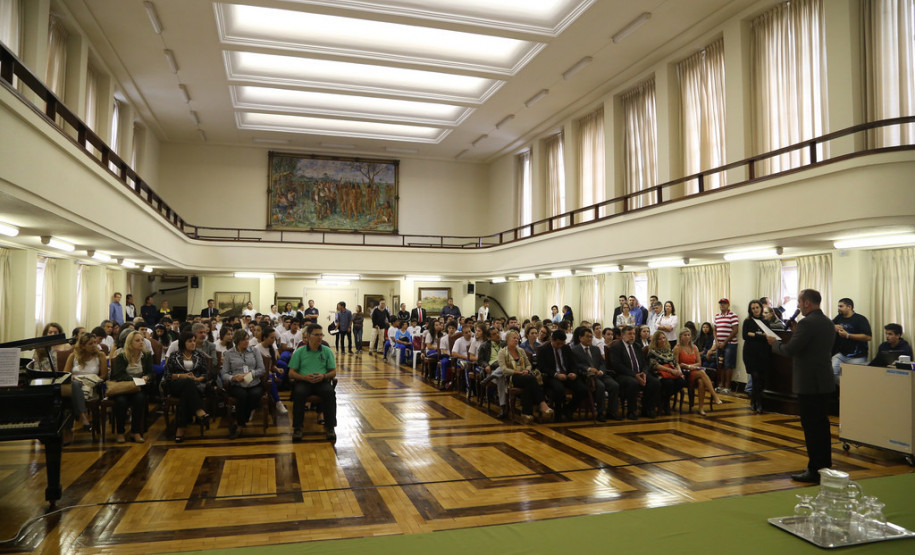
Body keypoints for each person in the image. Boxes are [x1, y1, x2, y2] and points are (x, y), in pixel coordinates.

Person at [767, 289, 836, 483]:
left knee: (811, 428)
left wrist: (774, 343)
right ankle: (825, 466)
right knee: (822, 426)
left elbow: (790, 349)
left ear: (806, 303)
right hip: (824, 381)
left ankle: (814, 469)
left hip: (809, 383)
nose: (797, 305)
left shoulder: (807, 322)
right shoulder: (827, 322)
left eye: (799, 302)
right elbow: (814, 347)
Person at [289, 324, 337, 441]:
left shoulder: (326, 351)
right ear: (309, 336)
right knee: (299, 394)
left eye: (321, 335)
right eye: (317, 335)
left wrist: (324, 376)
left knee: (330, 393)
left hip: (321, 381)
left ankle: (330, 427)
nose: (320, 337)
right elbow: (291, 373)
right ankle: (298, 428)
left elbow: (333, 372)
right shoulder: (300, 352)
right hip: (305, 381)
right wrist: (304, 377)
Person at [163, 331, 210, 442]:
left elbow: (206, 374)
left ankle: (180, 429)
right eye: (190, 341)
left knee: (186, 393)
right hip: (176, 385)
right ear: (183, 343)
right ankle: (199, 411)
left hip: (195, 385)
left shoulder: (199, 355)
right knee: (188, 382)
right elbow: (167, 375)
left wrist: (197, 379)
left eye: (194, 341)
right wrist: (182, 376)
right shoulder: (175, 355)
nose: (193, 343)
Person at [498, 330, 552, 424]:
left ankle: (526, 413)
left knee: (528, 384)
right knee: (530, 379)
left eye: (517, 338)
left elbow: (528, 364)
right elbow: (504, 369)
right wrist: (517, 372)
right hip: (513, 377)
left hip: (525, 376)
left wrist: (526, 370)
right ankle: (542, 403)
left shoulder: (521, 351)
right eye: (513, 338)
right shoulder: (502, 352)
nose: (516, 340)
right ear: (507, 339)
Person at [109, 331, 154, 443]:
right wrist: (134, 380)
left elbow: (150, 372)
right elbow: (119, 374)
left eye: (142, 340)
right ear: (130, 343)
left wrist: (146, 377)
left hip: (139, 387)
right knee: (121, 401)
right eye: (137, 340)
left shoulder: (147, 355)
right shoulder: (121, 355)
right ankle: (120, 432)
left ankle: (136, 431)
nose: (141, 343)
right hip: (124, 386)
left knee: (139, 399)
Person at [221, 329, 266, 439]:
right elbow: (224, 373)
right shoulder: (229, 353)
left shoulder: (254, 351)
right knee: (242, 395)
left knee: (254, 395)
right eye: (243, 340)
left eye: (247, 339)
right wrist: (233, 377)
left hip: (254, 382)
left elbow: (262, 369)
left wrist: (251, 374)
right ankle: (241, 425)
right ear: (237, 341)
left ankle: (238, 422)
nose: (247, 342)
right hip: (237, 384)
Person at [608, 325, 660, 420]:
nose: (632, 336)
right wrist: (635, 375)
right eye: (629, 334)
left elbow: (644, 363)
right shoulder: (616, 347)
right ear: (623, 335)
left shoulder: (636, 346)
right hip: (623, 375)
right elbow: (618, 366)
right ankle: (631, 411)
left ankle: (647, 409)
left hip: (639, 373)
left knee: (654, 382)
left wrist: (644, 373)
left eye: (633, 334)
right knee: (633, 383)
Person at [571, 326, 619, 421]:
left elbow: (602, 363)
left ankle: (611, 412)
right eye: (587, 337)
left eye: (591, 337)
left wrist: (601, 371)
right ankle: (600, 413)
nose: (590, 339)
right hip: (588, 376)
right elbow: (577, 365)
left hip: (600, 374)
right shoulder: (575, 350)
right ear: (580, 338)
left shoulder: (595, 349)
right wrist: (589, 369)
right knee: (600, 386)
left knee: (614, 385)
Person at [63, 332, 108, 431]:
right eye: (90, 344)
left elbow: (104, 375)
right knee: (75, 385)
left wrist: (90, 380)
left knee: (72, 395)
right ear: (83, 346)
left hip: (91, 385)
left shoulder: (100, 355)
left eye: (95, 343)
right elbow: (65, 374)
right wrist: (75, 379)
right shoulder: (73, 356)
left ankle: (77, 421)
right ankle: (84, 417)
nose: (94, 346)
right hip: (75, 383)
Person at [537, 330, 584, 422]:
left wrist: (573, 373)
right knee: (559, 389)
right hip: (552, 376)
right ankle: (558, 413)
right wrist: (556, 375)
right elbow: (542, 367)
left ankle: (568, 409)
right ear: (552, 340)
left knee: (583, 389)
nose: (560, 346)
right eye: (558, 343)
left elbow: (573, 363)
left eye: (562, 343)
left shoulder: (566, 348)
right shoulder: (543, 350)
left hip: (567, 375)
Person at [673, 328, 721, 415]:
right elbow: (675, 364)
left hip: (694, 370)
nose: (687, 337)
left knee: (701, 381)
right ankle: (715, 396)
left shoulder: (694, 347)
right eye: (685, 335)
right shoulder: (677, 348)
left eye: (689, 335)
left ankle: (701, 408)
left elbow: (699, 363)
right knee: (702, 373)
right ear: (681, 337)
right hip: (684, 372)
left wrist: (692, 366)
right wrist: (685, 365)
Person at [831, 298, 872, 384]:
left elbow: (868, 337)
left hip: (857, 357)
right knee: (831, 374)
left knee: (855, 381)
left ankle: (848, 391)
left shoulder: (860, 319)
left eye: (841, 306)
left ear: (849, 307)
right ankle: (844, 391)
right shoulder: (839, 317)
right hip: (841, 355)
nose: (838, 308)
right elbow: (829, 325)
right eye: (838, 306)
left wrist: (847, 335)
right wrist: (833, 326)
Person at [647, 331, 686, 416]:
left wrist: (679, 370)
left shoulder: (668, 350)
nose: (663, 340)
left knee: (681, 381)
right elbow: (655, 365)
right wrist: (671, 371)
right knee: (669, 383)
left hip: (671, 372)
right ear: (655, 340)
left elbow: (675, 362)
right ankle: (666, 403)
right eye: (660, 339)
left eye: (664, 338)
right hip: (659, 373)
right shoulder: (652, 351)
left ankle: (664, 400)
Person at [742, 300, 771, 413]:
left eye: (757, 307)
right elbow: (745, 335)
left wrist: (754, 334)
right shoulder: (747, 321)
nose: (755, 310)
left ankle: (755, 402)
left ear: (761, 308)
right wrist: (760, 335)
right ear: (750, 310)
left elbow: (768, 336)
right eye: (753, 308)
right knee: (755, 378)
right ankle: (757, 403)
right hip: (750, 354)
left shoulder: (765, 321)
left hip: (763, 353)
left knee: (761, 380)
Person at [714, 298, 739, 394]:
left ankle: (728, 387)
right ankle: (721, 385)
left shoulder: (733, 315)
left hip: (730, 344)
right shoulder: (717, 316)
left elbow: (735, 330)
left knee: (729, 365)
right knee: (720, 364)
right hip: (719, 344)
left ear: (728, 305)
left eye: (724, 303)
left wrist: (725, 342)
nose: (722, 305)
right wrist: (716, 341)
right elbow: (714, 330)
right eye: (720, 303)